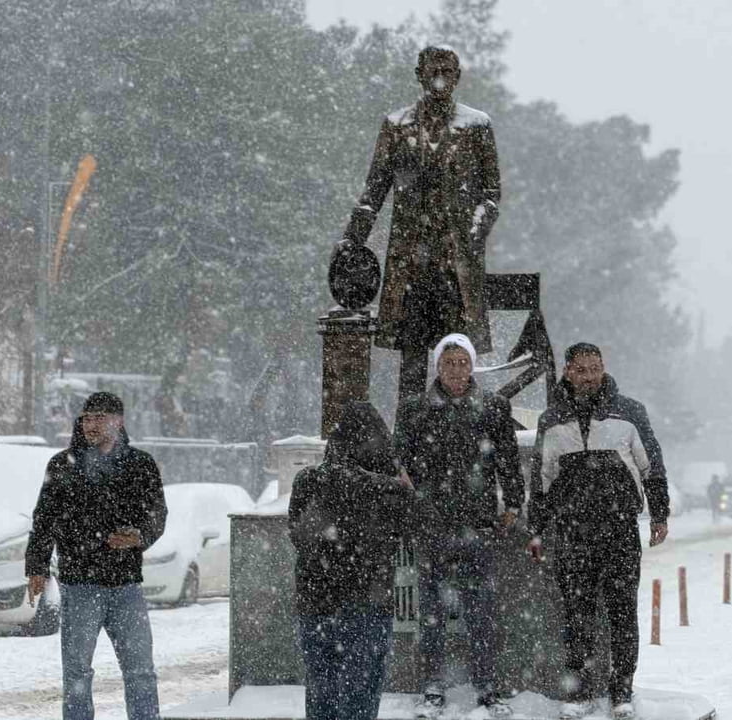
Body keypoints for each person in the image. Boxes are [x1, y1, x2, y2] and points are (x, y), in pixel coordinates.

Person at [339, 45, 502, 403]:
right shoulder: (396, 125)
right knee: (411, 361)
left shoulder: (477, 126)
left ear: (458, 77)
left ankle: (461, 435)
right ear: (419, 74)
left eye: (447, 70)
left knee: (458, 358)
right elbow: (374, 189)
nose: (440, 77)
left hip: (456, 266)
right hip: (411, 266)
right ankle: (409, 439)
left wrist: (475, 231)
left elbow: (492, 194)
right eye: (433, 70)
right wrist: (352, 241)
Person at [527, 343, 670, 720]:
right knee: (577, 613)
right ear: (568, 372)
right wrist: (536, 529)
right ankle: (578, 690)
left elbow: (650, 465)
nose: (589, 376)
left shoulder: (629, 412)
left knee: (623, 611)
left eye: (595, 368)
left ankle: (622, 688)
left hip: (620, 529)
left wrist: (659, 514)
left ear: (603, 368)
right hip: (572, 532)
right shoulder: (552, 419)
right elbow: (541, 480)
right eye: (581, 369)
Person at [393, 334, 523, 719]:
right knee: (431, 610)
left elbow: (509, 462)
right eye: (448, 363)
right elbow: (398, 463)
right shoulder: (415, 409)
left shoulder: (493, 407)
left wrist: (513, 502)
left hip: (478, 523)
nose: (456, 370)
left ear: (472, 366)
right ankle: (432, 686)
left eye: (462, 362)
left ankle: (487, 685)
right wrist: (409, 504)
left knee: (481, 609)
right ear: (438, 366)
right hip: (431, 524)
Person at [24, 392, 167, 720]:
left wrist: (138, 536)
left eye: (100, 417)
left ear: (119, 421)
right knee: (77, 673)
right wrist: (37, 566)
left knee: (141, 672)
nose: (91, 424)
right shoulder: (63, 465)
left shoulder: (140, 464)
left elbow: (157, 513)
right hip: (79, 584)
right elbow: (44, 519)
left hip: (126, 584)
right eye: (87, 418)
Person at [288, 400, 413, 720]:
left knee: (322, 690)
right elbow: (410, 528)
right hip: (368, 600)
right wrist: (400, 484)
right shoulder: (390, 489)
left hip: (317, 601)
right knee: (361, 693)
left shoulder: (307, 480)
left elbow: (299, 535)